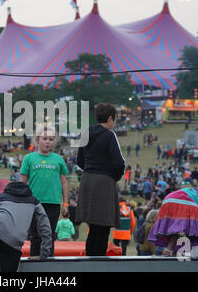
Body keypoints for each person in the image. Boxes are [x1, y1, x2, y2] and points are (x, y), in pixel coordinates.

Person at [76, 102, 125, 256]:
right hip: (104, 181)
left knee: (93, 227)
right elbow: (119, 163)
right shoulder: (110, 135)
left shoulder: (86, 132)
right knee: (103, 228)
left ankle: (89, 264)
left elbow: (79, 161)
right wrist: (112, 178)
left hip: (87, 180)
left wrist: (91, 171)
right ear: (110, 118)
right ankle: (98, 264)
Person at [20, 126, 69, 257]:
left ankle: (48, 263)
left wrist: (65, 203)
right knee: (35, 235)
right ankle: (34, 265)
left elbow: (64, 182)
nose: (48, 141)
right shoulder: (29, 158)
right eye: (45, 138)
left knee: (50, 235)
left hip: (53, 202)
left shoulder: (58, 159)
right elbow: (22, 183)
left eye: (51, 139)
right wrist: (21, 202)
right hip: (34, 203)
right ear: (37, 140)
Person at [148, 186, 198, 257]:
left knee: (175, 231)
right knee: (192, 230)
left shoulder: (194, 191)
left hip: (168, 200)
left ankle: (168, 250)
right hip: (183, 202)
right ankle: (187, 254)